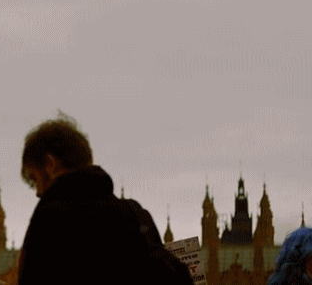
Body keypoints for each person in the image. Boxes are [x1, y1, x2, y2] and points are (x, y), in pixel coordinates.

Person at [17, 114, 193, 285]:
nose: (38, 192)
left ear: (50, 165)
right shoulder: (134, 215)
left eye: (34, 179)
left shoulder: (51, 219)